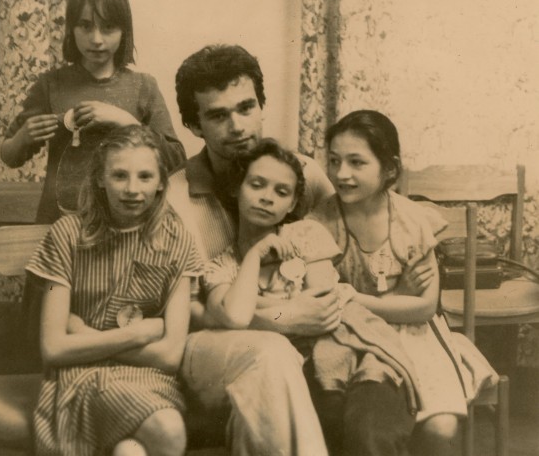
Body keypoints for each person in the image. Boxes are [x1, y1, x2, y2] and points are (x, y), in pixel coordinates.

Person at [203, 139, 427, 456]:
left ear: (292, 204)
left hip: (357, 349)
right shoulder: (222, 267)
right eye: (256, 184)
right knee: (319, 428)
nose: (267, 197)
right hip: (300, 370)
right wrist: (256, 256)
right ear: (235, 189)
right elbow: (235, 317)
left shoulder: (305, 235)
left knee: (367, 432)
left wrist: (265, 313)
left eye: (282, 192)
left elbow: (322, 308)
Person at [167, 44, 336, 455]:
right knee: (269, 352)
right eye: (217, 115)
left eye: (246, 108)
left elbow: (334, 270)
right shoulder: (175, 198)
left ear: (261, 106)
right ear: (193, 125)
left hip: (292, 354)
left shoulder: (303, 174)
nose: (237, 127)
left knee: (276, 366)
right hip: (206, 351)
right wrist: (281, 317)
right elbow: (186, 312)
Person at [309, 110, 497, 456]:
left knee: (440, 429)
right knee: (354, 421)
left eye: (356, 162)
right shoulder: (322, 222)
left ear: (390, 169)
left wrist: (353, 296)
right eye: (334, 161)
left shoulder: (412, 220)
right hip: (350, 339)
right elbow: (326, 301)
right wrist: (398, 295)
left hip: (415, 338)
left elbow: (424, 307)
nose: (341, 173)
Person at [26, 125, 202, 456]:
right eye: (119, 176)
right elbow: (53, 348)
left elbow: (169, 356)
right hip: (80, 377)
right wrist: (139, 334)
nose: (132, 189)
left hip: (149, 379)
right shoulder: (67, 234)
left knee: (131, 451)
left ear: (161, 182)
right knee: (168, 431)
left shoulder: (179, 242)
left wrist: (83, 334)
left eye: (145, 177)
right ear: (100, 179)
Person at [0, 0, 185, 225]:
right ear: (71, 29)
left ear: (124, 31)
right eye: (85, 26)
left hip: (128, 225)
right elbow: (9, 156)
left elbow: (176, 161)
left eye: (108, 27)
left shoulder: (143, 86)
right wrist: (23, 137)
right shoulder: (51, 85)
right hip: (58, 223)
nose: (96, 39)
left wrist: (127, 122)